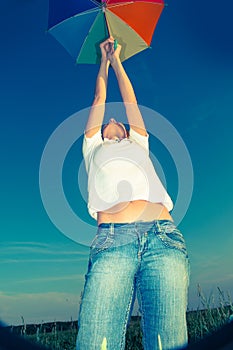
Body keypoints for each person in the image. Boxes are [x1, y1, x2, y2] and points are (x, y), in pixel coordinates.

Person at [76, 37, 190, 350]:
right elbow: (100, 97)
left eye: (119, 122)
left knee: (167, 343)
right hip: (113, 241)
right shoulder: (92, 148)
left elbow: (130, 103)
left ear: (127, 132)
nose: (114, 119)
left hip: (163, 237)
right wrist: (103, 60)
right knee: (97, 341)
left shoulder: (138, 143)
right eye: (108, 122)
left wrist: (118, 61)